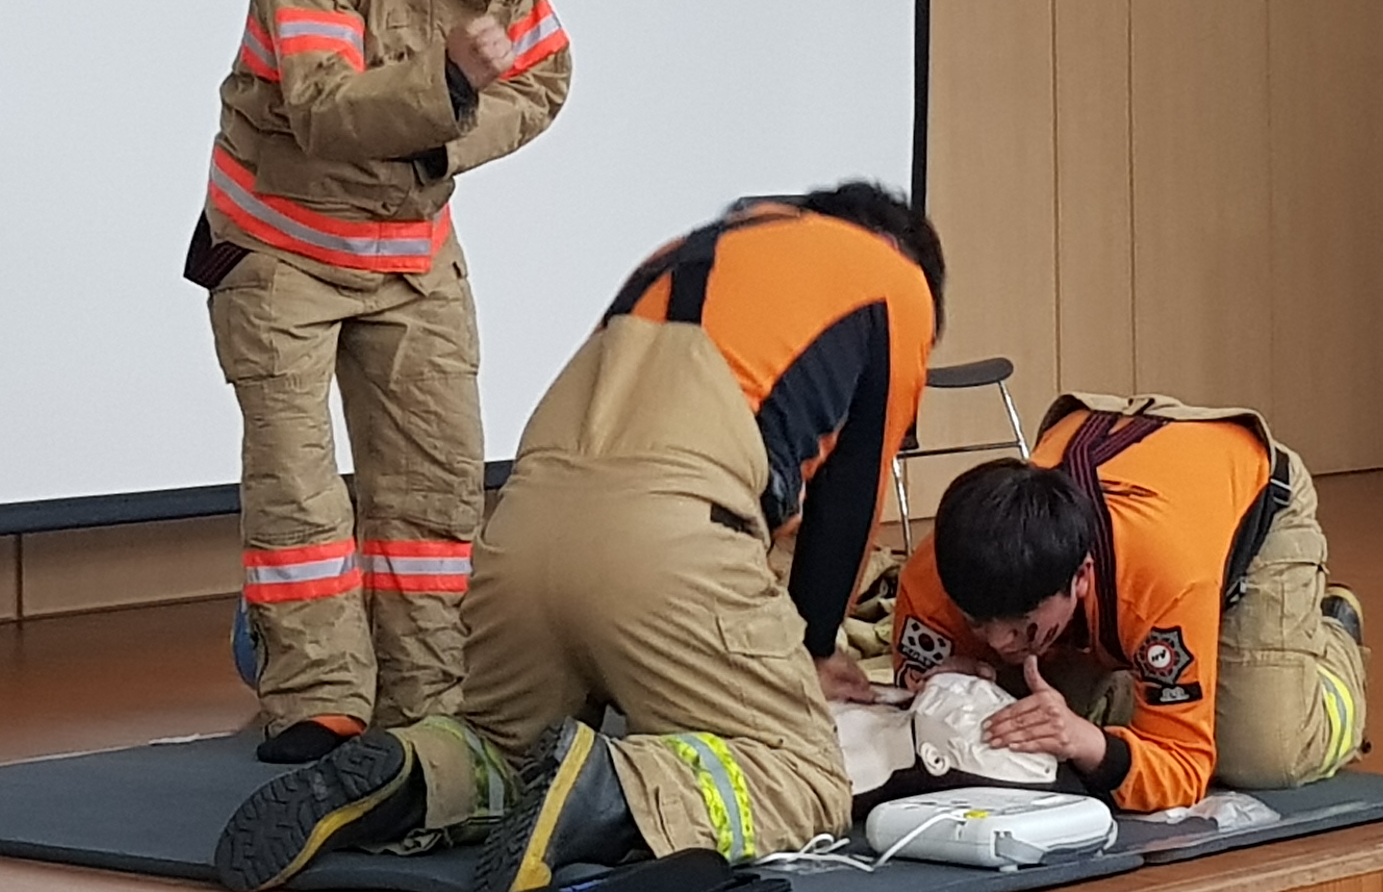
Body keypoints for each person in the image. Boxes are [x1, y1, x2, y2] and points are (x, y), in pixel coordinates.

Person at [210, 185, 945, 892]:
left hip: (522, 533)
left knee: (505, 746)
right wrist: (813, 649)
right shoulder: (894, 282)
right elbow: (851, 496)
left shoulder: (682, 254)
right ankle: (612, 790)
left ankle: (413, 771)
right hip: (670, 546)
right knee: (799, 776)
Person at [184, 0, 579, 764]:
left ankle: (430, 706)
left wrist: (451, 136)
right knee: (298, 485)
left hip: (411, 252)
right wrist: (446, 84)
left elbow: (543, 79)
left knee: (436, 490)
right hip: (276, 250)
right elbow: (321, 110)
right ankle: (317, 699)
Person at [887, 393, 1367, 813]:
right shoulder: (937, 575)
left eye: (1022, 626)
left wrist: (1089, 743)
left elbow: (1185, 767)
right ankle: (1130, 683)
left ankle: (1332, 640)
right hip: (1128, 471)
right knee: (1007, 724)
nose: (997, 642)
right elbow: (910, 702)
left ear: (1080, 577)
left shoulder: (1161, 580)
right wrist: (932, 685)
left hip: (1255, 503)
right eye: (976, 622)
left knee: (1262, 754)